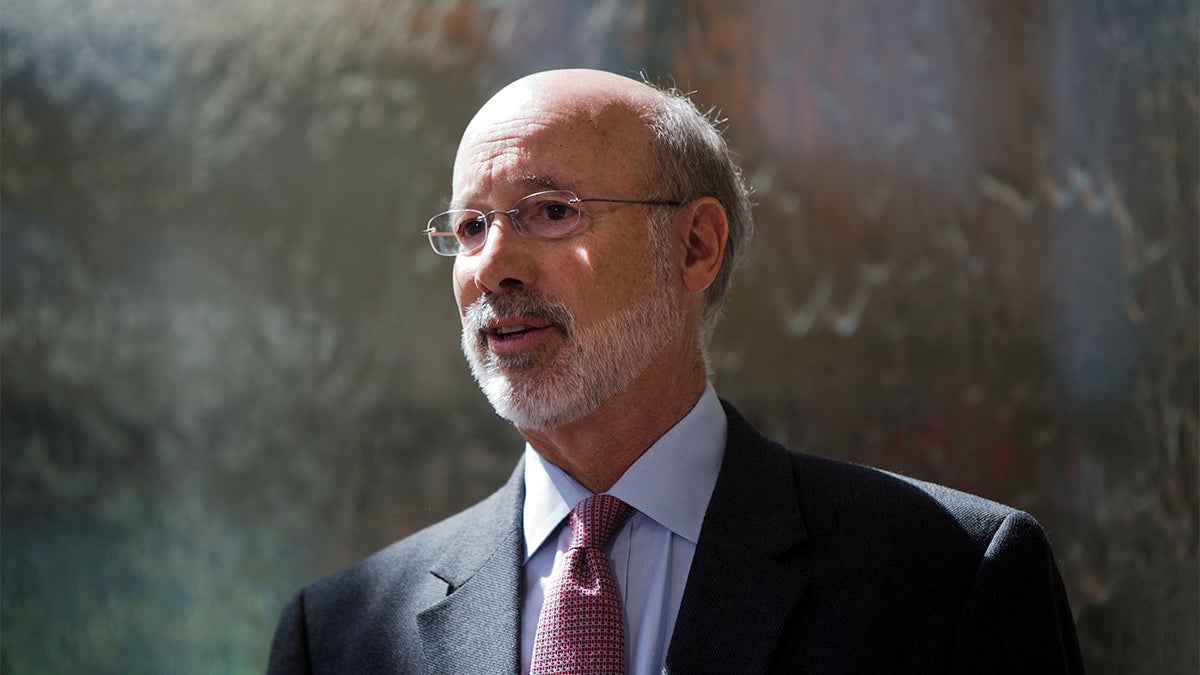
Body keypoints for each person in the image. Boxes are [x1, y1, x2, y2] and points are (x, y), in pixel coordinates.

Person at [267, 69, 1083, 674]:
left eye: (551, 210)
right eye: (472, 226)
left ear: (695, 245)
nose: (493, 267)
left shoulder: (947, 575)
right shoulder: (338, 635)